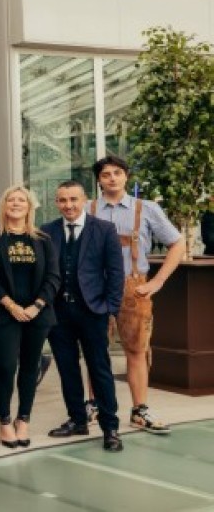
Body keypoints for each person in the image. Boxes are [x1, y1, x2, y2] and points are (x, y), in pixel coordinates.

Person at [88, 155, 185, 434]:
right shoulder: (87, 208)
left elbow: (177, 244)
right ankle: (95, 406)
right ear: (99, 180)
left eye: (117, 173)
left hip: (134, 287)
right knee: (96, 349)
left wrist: (158, 281)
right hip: (95, 287)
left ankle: (139, 410)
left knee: (137, 349)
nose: (112, 178)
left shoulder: (147, 208)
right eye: (106, 174)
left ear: (126, 176)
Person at [43, 180, 125, 452]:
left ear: (84, 200)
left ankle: (110, 427)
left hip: (93, 311)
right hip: (58, 313)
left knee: (99, 369)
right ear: (56, 202)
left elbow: (116, 272)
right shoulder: (47, 231)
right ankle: (77, 419)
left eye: (73, 199)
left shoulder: (104, 229)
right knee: (67, 368)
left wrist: (111, 309)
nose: (68, 205)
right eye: (62, 200)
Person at [0, 185, 61, 449]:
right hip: (4, 314)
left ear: (29, 206)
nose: (16, 204)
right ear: (4, 206)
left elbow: (53, 277)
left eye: (21, 200)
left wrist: (37, 305)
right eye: (11, 200)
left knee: (30, 367)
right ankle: (4, 420)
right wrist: (11, 305)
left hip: (37, 315)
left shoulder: (43, 239)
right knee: (6, 367)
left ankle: (23, 419)